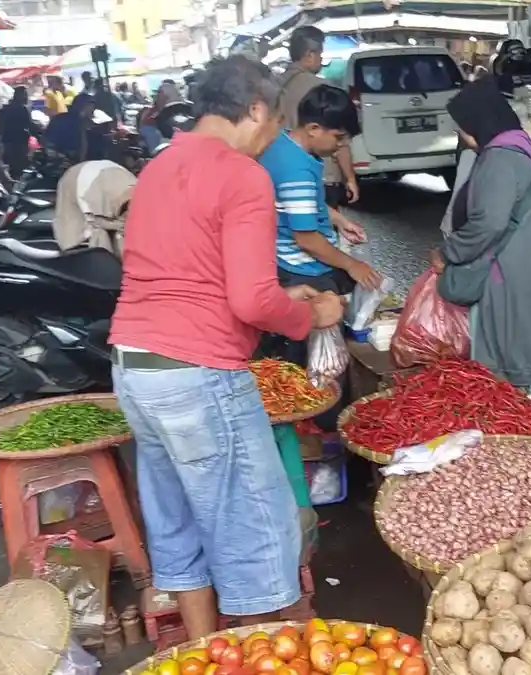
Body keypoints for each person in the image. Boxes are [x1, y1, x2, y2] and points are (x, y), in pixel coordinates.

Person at [109, 54, 344, 638]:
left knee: (178, 519)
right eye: (272, 125)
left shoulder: (159, 166)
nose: (271, 140)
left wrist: (280, 296)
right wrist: (313, 313)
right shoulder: (243, 174)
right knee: (256, 526)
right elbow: (250, 301)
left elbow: (188, 272)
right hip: (198, 373)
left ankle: (203, 648)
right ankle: (259, 648)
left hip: (135, 367)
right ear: (256, 109)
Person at [431, 78, 531, 421]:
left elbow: (489, 222)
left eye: (463, 129)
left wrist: (449, 252)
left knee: (509, 363)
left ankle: (520, 444)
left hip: (504, 275)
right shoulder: (518, 147)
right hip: (520, 266)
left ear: (479, 123)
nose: (462, 137)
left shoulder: (500, 158)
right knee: (521, 354)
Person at [257, 84, 378, 296]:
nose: (342, 145)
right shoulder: (297, 171)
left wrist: (339, 220)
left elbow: (295, 204)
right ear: (313, 129)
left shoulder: (282, 144)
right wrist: (351, 265)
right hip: (304, 270)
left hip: (288, 260)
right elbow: (306, 239)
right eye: (339, 137)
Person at [278, 26, 362, 234]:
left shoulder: (274, 85)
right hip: (322, 175)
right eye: (320, 54)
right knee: (320, 234)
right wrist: (350, 178)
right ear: (309, 54)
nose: (321, 60)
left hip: (284, 173)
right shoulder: (320, 90)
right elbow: (339, 140)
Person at [0, 86, 34, 176]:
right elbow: (30, 125)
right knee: (20, 167)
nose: (27, 97)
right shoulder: (23, 109)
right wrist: (39, 136)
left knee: (9, 166)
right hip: (19, 142)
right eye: (25, 94)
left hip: (6, 140)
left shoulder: (6, 108)